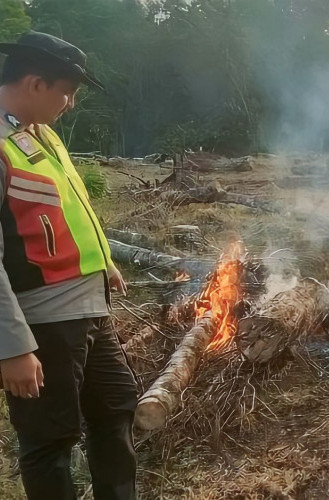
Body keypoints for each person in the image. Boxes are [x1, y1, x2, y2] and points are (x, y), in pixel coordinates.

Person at [0, 31, 137, 499]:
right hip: (44, 322)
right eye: (68, 90)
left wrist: (102, 263)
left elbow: (63, 210)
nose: (71, 103)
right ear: (36, 84)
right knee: (50, 439)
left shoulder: (41, 135)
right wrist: (13, 346)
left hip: (87, 309)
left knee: (117, 406)